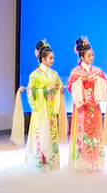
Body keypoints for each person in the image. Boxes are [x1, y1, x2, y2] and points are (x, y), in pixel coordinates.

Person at [66, 36, 107, 172]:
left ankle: (95, 162)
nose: (91, 58)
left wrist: (97, 80)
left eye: (92, 55)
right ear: (82, 57)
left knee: (94, 132)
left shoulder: (97, 71)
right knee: (82, 131)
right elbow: (70, 86)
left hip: (94, 105)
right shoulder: (76, 72)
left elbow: (106, 82)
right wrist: (80, 81)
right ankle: (82, 162)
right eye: (89, 55)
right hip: (82, 107)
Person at [25, 41, 66, 171]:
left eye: (53, 58)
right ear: (43, 59)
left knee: (51, 134)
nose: (53, 60)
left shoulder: (54, 74)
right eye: (50, 58)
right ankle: (39, 163)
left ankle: (51, 163)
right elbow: (30, 92)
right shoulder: (35, 75)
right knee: (40, 134)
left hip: (51, 110)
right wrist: (46, 89)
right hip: (41, 111)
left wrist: (60, 88)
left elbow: (60, 86)